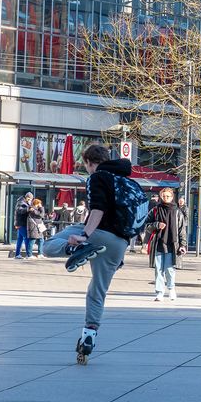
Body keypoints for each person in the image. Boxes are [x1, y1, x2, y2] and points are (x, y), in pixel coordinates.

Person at [42, 145, 132, 364]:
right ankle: (88, 336)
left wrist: (84, 235)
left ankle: (74, 248)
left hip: (98, 235)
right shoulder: (128, 182)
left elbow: (98, 209)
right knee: (97, 291)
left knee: (49, 245)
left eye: (86, 166)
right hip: (120, 243)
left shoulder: (98, 176)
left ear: (90, 162)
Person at [147, 187, 187, 302]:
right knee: (158, 270)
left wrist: (183, 245)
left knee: (169, 270)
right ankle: (159, 292)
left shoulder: (177, 211)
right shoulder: (155, 210)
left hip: (172, 244)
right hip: (159, 243)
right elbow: (146, 225)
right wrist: (156, 224)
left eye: (167, 196)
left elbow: (182, 230)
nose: (165, 198)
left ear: (172, 197)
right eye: (163, 196)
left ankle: (171, 288)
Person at [13, 192, 32, 259]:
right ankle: (28, 254)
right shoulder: (21, 202)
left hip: (20, 223)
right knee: (26, 238)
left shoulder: (22, 202)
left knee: (20, 239)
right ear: (27, 197)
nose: (30, 200)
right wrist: (28, 208)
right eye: (29, 198)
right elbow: (19, 211)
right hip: (22, 223)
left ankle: (17, 254)